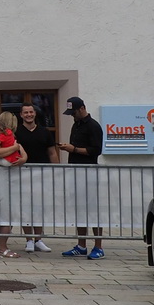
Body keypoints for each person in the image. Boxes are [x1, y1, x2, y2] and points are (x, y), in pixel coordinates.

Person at [56, 96, 105, 258]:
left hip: (89, 172)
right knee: (80, 210)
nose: (72, 115)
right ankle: (81, 244)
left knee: (93, 210)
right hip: (76, 172)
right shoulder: (75, 125)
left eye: (74, 112)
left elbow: (95, 150)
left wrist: (73, 149)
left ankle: (98, 246)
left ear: (82, 108)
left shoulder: (93, 126)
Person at [14, 103, 57, 252]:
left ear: (35, 113)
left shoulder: (45, 132)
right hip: (22, 175)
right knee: (25, 208)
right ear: (21, 115)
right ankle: (29, 240)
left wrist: (56, 171)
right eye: (25, 113)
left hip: (42, 175)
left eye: (31, 112)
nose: (28, 115)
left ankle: (38, 239)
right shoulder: (16, 132)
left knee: (38, 207)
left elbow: (52, 152)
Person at [0, 115, 27, 259]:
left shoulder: (7, 138)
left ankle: (3, 246)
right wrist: (15, 148)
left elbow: (23, 155)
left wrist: (20, 155)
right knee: (5, 216)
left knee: (6, 215)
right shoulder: (10, 139)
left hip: (8, 182)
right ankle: (2, 247)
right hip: (2, 183)